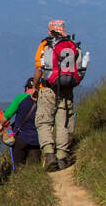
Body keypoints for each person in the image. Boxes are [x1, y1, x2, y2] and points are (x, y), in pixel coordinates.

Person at [32, 19, 84, 171]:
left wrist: (35, 86)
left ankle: (49, 154)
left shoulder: (46, 45)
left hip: (48, 88)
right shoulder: (72, 44)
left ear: (50, 31)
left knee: (44, 121)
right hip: (67, 89)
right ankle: (62, 156)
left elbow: (39, 68)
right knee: (64, 122)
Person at [3, 78, 42, 168]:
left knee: (19, 167)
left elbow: (7, 115)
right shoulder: (42, 100)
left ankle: (19, 181)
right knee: (35, 168)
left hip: (20, 138)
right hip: (37, 139)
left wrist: (1, 125)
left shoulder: (20, 98)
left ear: (26, 88)